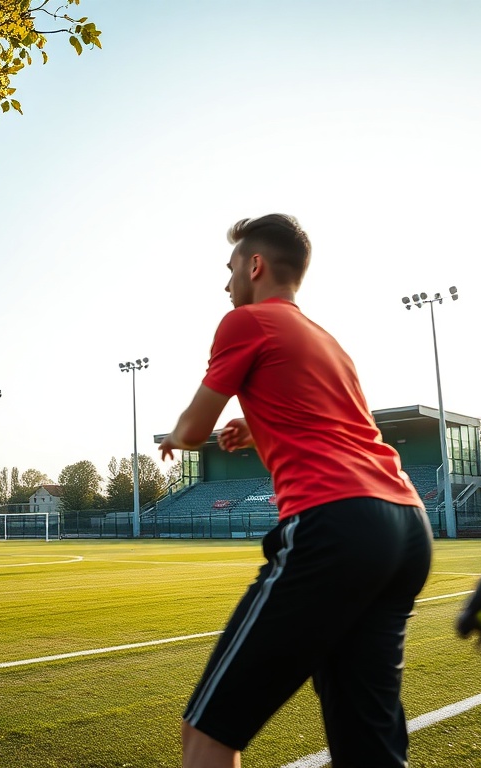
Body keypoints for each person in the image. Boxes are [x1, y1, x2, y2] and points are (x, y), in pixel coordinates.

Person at [158, 214, 433, 768]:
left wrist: (178, 434)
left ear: (255, 265)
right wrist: (256, 426)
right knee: (368, 750)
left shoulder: (245, 322)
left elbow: (191, 431)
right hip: (406, 525)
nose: (227, 282)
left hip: (335, 528)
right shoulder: (328, 341)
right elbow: (337, 426)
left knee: (207, 733)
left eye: (231, 267)